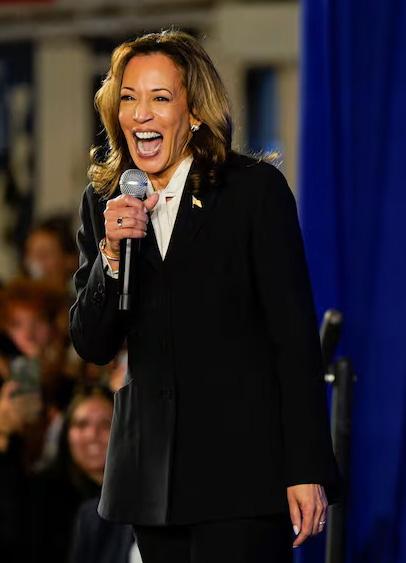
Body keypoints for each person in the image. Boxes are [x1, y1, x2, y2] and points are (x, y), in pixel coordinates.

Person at [70, 29, 340, 563]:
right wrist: (111, 257)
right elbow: (91, 343)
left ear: (194, 112)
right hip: (150, 483)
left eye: (159, 98)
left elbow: (293, 340)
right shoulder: (106, 199)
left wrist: (307, 466)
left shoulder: (251, 191)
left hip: (240, 476)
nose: (140, 114)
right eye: (129, 98)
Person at [29, 385, 113, 563]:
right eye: (81, 424)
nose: (92, 435)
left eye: (106, 424)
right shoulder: (39, 494)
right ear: (66, 433)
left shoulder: (140, 499)